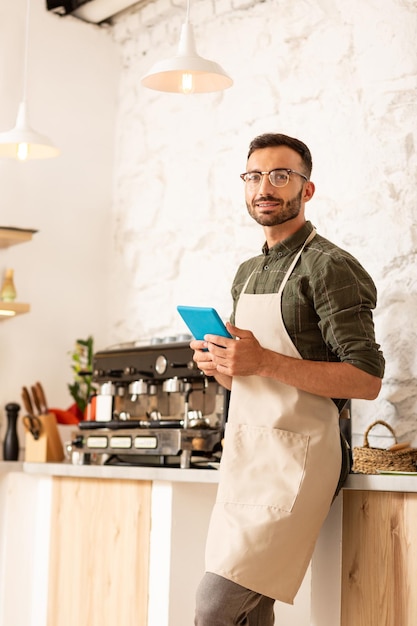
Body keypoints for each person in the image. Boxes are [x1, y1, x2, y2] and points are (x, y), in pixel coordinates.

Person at [191, 133, 385, 626]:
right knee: (253, 613)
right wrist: (223, 367)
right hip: (250, 456)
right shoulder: (247, 272)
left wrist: (261, 363)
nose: (265, 187)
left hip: (302, 459)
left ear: (307, 189)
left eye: (281, 175)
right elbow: (252, 381)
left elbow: (365, 379)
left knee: (214, 607)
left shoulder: (330, 267)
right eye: (254, 176)